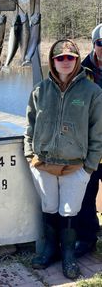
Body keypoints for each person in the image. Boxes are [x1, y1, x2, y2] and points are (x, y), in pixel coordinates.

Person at [24, 39, 102, 280]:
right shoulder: (40, 90)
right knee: (49, 208)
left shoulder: (92, 92)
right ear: (53, 61)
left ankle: (68, 255)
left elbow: (98, 133)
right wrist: (30, 155)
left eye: (71, 57)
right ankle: (49, 250)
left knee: (70, 211)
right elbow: (30, 125)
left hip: (76, 167)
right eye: (60, 58)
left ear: (78, 60)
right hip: (44, 164)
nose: (65, 62)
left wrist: (89, 167)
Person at [75, 23, 102, 257]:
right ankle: (87, 239)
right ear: (93, 44)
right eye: (101, 43)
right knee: (86, 196)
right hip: (89, 148)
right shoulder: (80, 72)